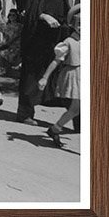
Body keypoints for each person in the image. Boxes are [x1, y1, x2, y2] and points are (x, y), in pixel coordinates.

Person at [17, 0, 76, 123]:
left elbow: (66, 15)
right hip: (37, 42)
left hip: (53, 42)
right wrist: (45, 17)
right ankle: (25, 113)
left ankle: (74, 115)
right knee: (31, 77)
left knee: (54, 78)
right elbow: (32, 12)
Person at [38, 9, 81, 144]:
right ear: (73, 25)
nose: (82, 27)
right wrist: (45, 77)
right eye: (79, 24)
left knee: (75, 109)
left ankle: (55, 129)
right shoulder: (68, 42)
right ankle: (55, 129)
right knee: (77, 108)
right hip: (75, 76)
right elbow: (56, 61)